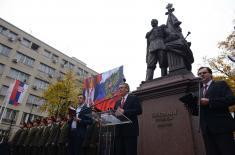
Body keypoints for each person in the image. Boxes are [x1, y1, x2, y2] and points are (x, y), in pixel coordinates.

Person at [184, 67, 235, 155]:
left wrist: (210, 101)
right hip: (206, 130)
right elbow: (199, 111)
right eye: (199, 74)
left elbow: (231, 100)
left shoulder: (220, 84)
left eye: (204, 73)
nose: (201, 75)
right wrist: (191, 108)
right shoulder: (199, 91)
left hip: (221, 127)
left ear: (210, 74)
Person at [114, 83, 142, 155]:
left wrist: (125, 111)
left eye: (121, 88)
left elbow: (139, 110)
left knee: (130, 152)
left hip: (130, 131)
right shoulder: (117, 102)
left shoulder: (133, 98)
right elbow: (115, 113)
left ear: (127, 89)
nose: (119, 89)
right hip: (119, 132)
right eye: (119, 88)